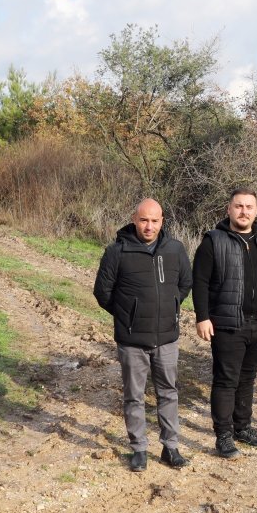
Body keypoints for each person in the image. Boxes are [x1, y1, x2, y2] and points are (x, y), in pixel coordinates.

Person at [93, 198, 193, 472]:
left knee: (169, 393)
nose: (149, 226)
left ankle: (170, 447)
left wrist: (171, 306)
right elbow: (103, 292)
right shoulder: (117, 251)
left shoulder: (175, 249)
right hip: (132, 340)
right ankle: (139, 449)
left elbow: (185, 283)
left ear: (162, 221)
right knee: (134, 396)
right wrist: (128, 314)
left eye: (155, 221)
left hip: (167, 338)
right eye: (144, 220)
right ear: (134, 220)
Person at [192, 188, 257, 460]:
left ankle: (243, 427)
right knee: (226, 380)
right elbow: (200, 281)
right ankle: (223, 435)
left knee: (248, 379)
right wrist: (202, 316)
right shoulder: (214, 241)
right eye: (238, 206)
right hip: (228, 324)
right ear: (228, 210)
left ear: (256, 211)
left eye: (249, 207)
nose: (244, 211)